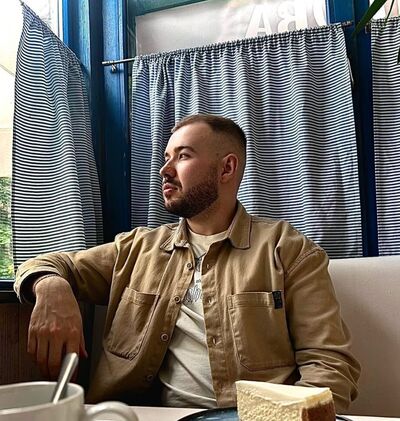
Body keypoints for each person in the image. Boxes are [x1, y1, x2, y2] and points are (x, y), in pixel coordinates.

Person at [14, 114, 360, 411]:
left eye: (183, 156)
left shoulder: (288, 251)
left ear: (227, 168)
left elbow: (328, 364)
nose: (165, 170)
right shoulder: (137, 249)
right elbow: (49, 264)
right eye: (167, 157)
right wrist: (52, 287)